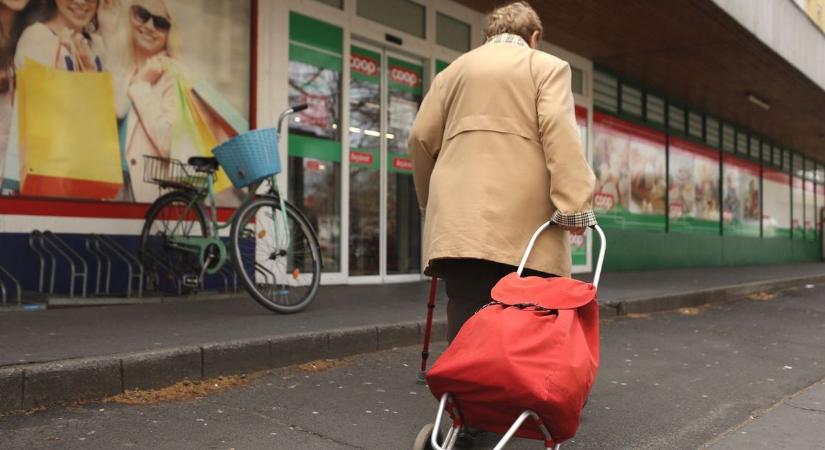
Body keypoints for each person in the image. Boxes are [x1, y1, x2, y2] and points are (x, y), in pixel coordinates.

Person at [409, 1, 596, 342]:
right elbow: (560, 134)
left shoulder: (450, 73)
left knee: (465, 309)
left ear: (489, 35)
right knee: (527, 312)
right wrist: (574, 207)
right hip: (526, 224)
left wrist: (429, 203)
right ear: (534, 37)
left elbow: (420, 138)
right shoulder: (547, 67)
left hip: (459, 221)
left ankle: (463, 388)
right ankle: (515, 388)